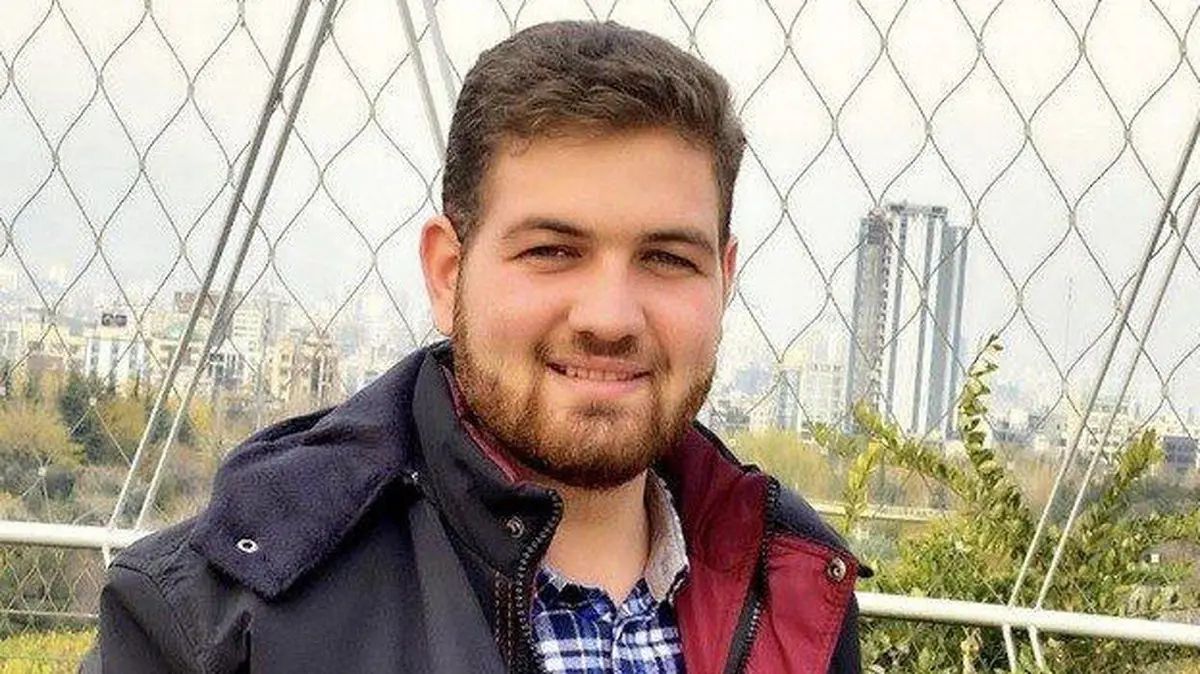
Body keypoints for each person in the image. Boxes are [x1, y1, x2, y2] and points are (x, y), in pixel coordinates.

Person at [84, 20, 865, 673]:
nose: (609, 317)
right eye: (551, 251)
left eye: (666, 258)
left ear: (723, 278)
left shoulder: (791, 589)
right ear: (447, 273)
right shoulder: (223, 622)